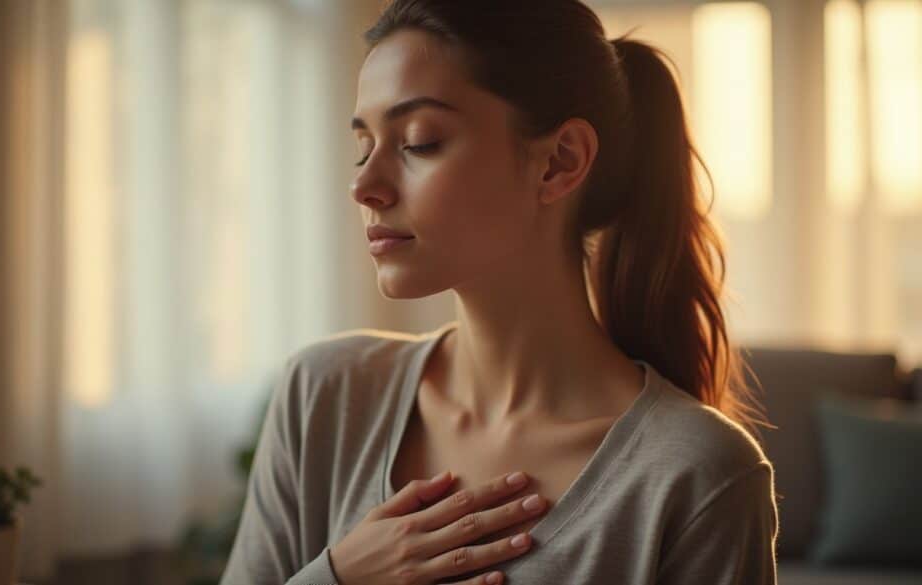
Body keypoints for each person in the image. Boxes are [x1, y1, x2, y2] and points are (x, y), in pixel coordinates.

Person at [220, 0, 778, 583]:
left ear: (560, 162)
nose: (364, 185)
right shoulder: (324, 395)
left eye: (418, 141)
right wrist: (341, 575)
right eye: (364, 146)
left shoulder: (701, 478)